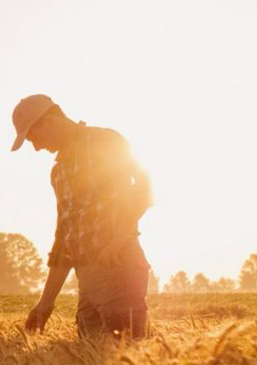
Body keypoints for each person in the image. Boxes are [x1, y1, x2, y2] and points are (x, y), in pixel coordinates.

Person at [10, 95, 153, 338]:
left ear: (50, 121)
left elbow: (144, 187)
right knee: (89, 363)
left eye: (34, 137)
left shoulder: (104, 141)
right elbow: (64, 239)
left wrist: (120, 237)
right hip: (87, 282)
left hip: (118, 268)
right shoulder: (58, 172)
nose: (36, 147)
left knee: (125, 356)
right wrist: (46, 302)